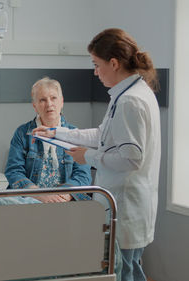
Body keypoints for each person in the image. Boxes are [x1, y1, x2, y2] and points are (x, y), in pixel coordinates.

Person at [33, 28, 161, 281]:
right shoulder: (128, 94)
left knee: (126, 272)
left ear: (113, 63)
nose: (95, 72)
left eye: (96, 64)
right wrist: (57, 132)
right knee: (130, 269)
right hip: (126, 203)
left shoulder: (130, 101)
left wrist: (87, 157)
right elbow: (103, 135)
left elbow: (131, 158)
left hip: (127, 206)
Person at [5, 77, 92, 202]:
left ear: (61, 102)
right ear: (35, 106)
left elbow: (83, 175)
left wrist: (64, 195)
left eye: (53, 98)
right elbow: (14, 171)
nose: (49, 104)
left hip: (67, 200)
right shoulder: (22, 133)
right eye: (42, 100)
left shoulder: (75, 135)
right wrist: (38, 195)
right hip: (30, 200)